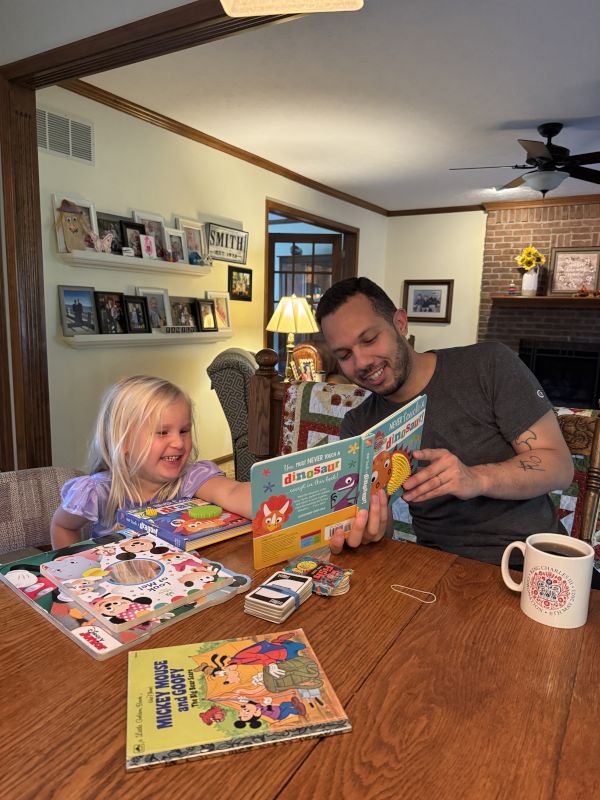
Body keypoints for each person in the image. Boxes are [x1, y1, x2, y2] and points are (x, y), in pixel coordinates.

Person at [316, 277, 574, 565]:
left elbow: (560, 467)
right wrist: (369, 529)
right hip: (438, 567)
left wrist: (477, 478)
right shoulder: (360, 425)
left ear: (400, 323)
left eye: (369, 339)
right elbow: (382, 531)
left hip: (535, 560)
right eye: (345, 355)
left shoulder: (488, 365)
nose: (362, 361)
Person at [50, 375, 251, 548]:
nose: (178, 442)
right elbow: (63, 526)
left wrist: (277, 499)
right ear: (125, 441)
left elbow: (232, 492)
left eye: (184, 431)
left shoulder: (191, 478)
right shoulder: (98, 491)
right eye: (163, 433)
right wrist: (75, 572)